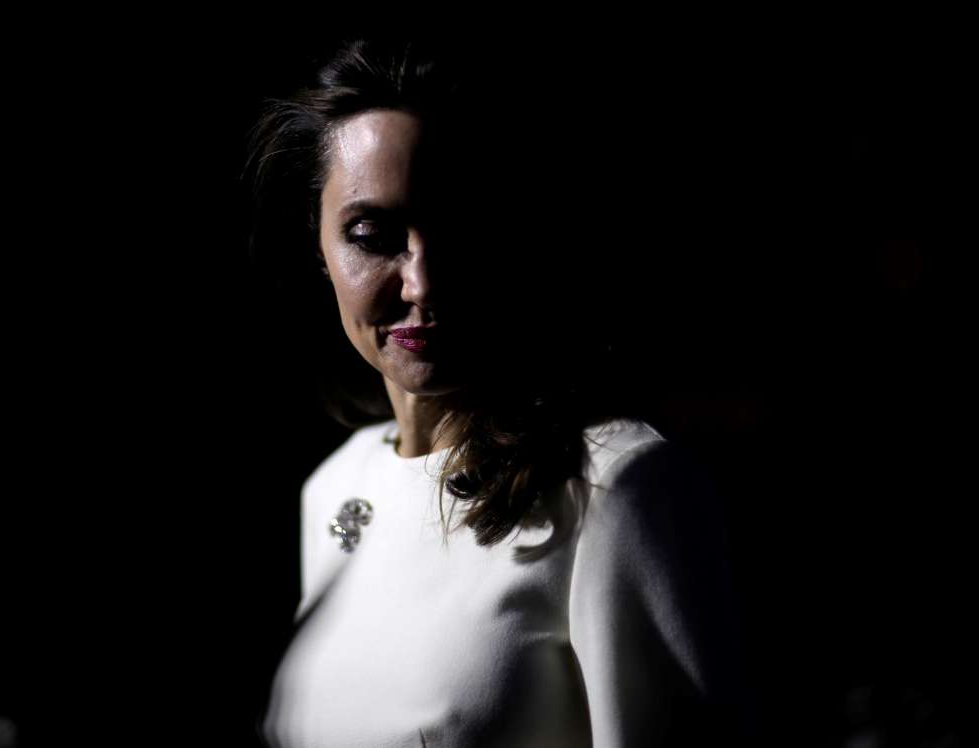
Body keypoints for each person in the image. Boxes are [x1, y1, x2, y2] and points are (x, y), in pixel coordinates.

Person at [244, 36, 753, 747]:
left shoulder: (617, 486)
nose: (422, 284)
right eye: (371, 234)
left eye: (456, 226)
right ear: (320, 249)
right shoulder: (334, 488)